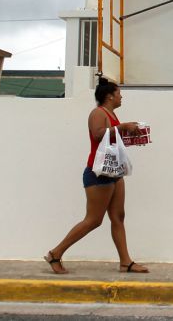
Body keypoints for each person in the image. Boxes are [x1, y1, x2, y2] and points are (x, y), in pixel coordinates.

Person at [45, 77, 149, 274]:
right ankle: (55, 254)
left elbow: (112, 141)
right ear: (109, 96)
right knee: (93, 220)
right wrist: (122, 127)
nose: (121, 97)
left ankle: (126, 262)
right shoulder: (98, 113)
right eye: (119, 94)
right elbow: (98, 134)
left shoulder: (112, 116)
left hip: (114, 172)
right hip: (98, 172)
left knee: (118, 217)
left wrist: (131, 134)